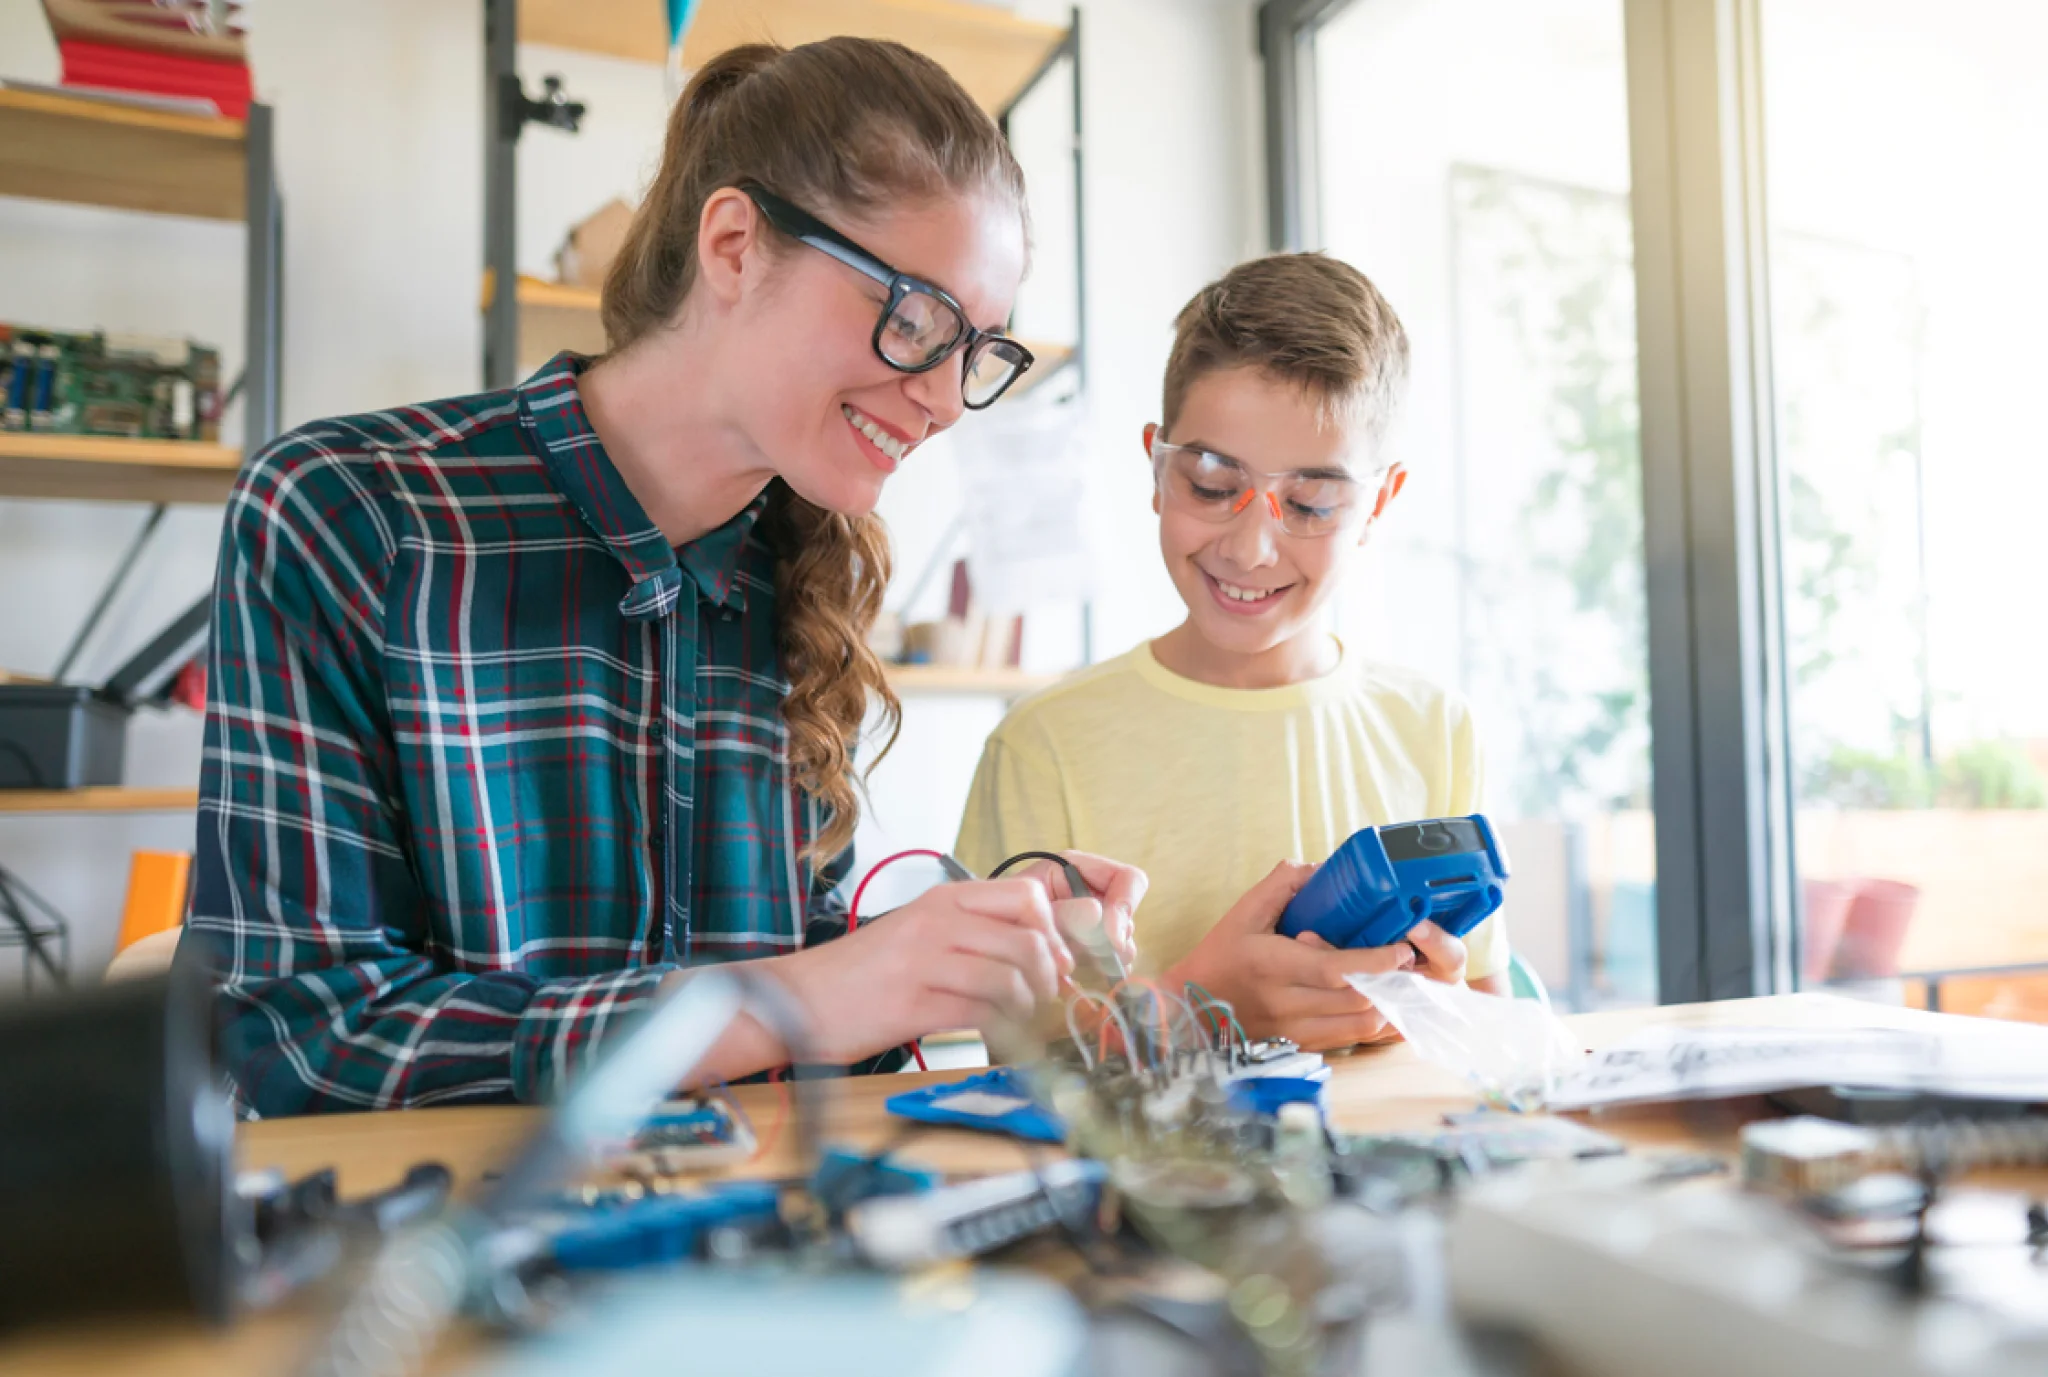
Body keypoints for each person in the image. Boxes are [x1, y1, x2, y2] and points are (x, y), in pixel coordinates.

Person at [189, 37, 1142, 1117]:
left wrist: (955, 958)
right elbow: (298, 1040)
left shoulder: (801, 568)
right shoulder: (351, 515)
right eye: (915, 319)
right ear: (733, 245)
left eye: (977, 350)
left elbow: (796, 1013)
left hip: (745, 1251)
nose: (942, 399)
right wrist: (803, 998)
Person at [954, 252, 1511, 1052]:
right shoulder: (1044, 745)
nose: (1252, 548)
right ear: (1156, 467)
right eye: (1214, 484)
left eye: (1312, 503)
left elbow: (1494, 1036)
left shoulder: (1435, 728)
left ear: (1379, 504)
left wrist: (1436, 1004)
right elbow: (1017, 1056)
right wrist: (1196, 1007)